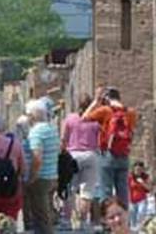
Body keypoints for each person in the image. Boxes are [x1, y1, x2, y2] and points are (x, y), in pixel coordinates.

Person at [82, 85, 137, 210]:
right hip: (124, 155)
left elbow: (84, 118)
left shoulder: (105, 111)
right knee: (123, 191)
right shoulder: (131, 113)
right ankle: (123, 217)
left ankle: (107, 219)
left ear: (107, 98)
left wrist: (96, 101)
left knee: (106, 190)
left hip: (107, 155)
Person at [61, 94, 102, 228]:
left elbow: (63, 139)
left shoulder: (70, 118)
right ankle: (83, 222)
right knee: (87, 191)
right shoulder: (96, 121)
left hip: (72, 155)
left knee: (69, 189)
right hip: (91, 155)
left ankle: (66, 221)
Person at [25, 98, 60, 234]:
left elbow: (37, 158)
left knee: (41, 218)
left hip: (40, 178)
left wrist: (32, 177)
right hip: (52, 175)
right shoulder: (52, 129)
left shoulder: (36, 132)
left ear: (32, 116)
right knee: (47, 214)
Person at [127, 161, 152, 230]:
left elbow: (149, 188)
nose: (138, 171)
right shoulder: (130, 177)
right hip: (132, 200)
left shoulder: (145, 177)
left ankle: (140, 230)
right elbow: (127, 188)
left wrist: (142, 183)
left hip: (142, 200)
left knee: (140, 215)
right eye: (136, 169)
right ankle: (133, 231)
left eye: (139, 170)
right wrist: (128, 200)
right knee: (132, 217)